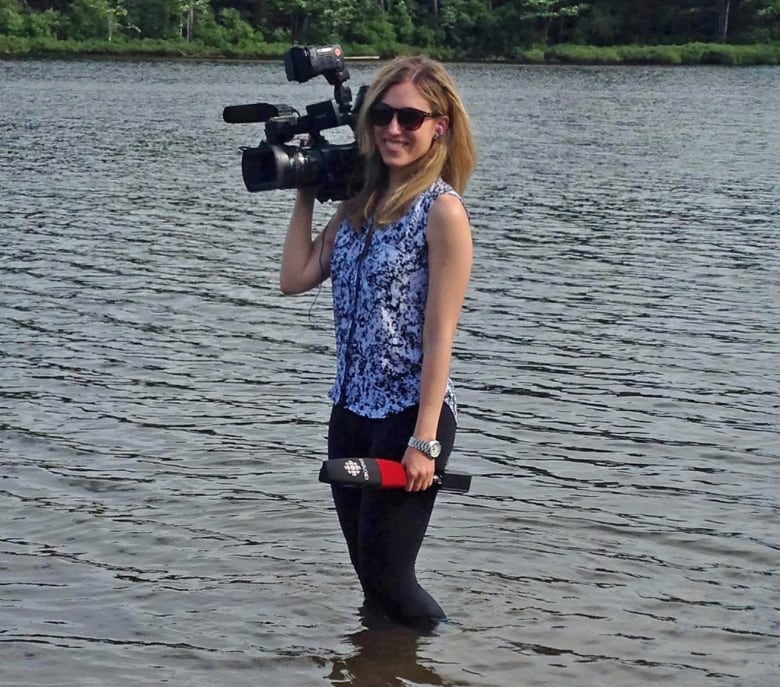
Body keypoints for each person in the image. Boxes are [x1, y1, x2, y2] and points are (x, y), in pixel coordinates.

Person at [279, 55, 477, 627]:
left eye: (409, 118)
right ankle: (384, 667)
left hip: (409, 415)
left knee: (392, 577)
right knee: (369, 575)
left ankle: (452, 653)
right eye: (382, 116)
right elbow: (294, 280)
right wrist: (305, 193)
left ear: (439, 125)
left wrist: (425, 441)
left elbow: (441, 335)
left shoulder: (442, 212)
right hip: (350, 411)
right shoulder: (358, 208)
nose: (393, 129)